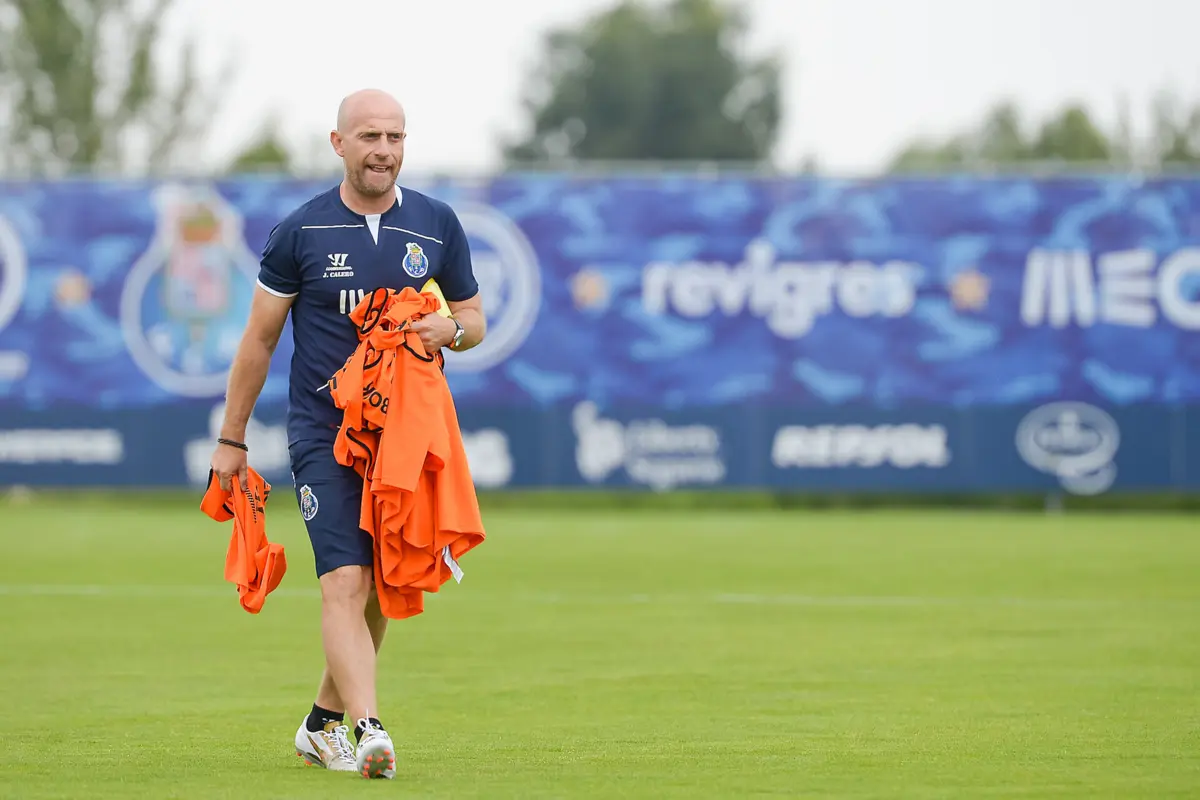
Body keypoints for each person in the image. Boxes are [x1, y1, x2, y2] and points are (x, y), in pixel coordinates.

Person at [209, 88, 487, 779]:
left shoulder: (435, 224)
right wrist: (231, 440)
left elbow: (476, 319)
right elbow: (259, 340)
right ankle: (368, 730)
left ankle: (320, 724)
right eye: (369, 137)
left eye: (394, 137)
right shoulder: (301, 232)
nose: (383, 151)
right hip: (323, 434)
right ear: (339, 144)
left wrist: (448, 328)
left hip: (402, 440)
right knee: (344, 579)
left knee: (386, 582)